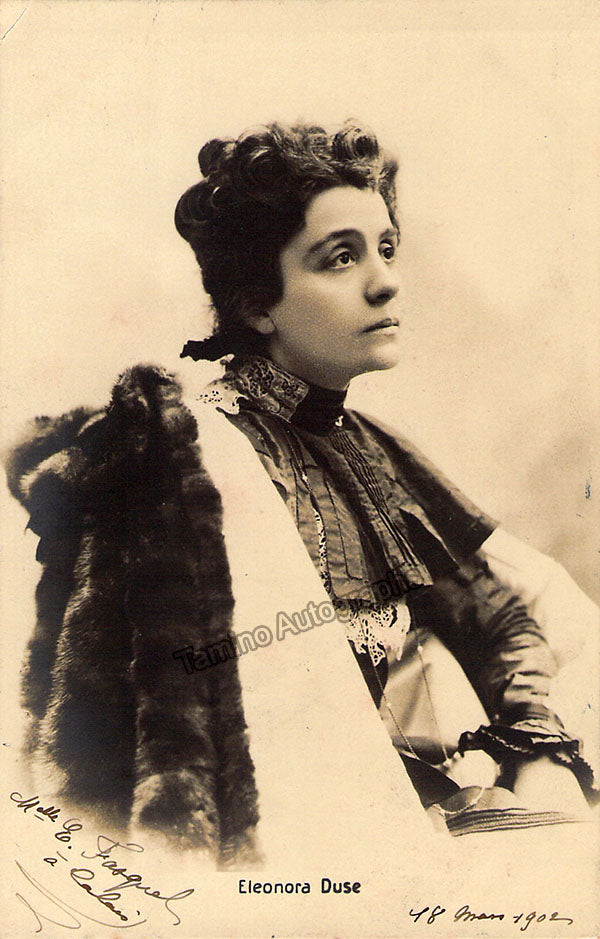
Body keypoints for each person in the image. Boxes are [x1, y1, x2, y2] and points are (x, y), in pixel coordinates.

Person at [5, 121, 597, 867]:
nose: (385, 281)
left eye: (386, 248)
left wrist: (536, 745)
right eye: (340, 257)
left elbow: (499, 614)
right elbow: (136, 730)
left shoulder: (370, 449)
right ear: (257, 303)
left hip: (396, 816)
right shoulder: (191, 460)